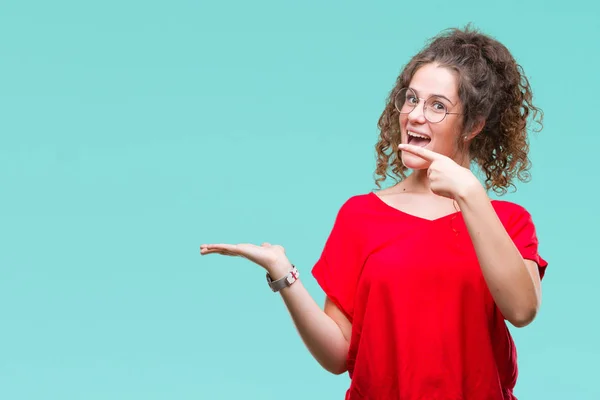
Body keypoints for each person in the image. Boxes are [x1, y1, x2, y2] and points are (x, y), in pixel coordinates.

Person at [200, 25, 548, 400]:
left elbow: (522, 309)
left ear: (473, 125)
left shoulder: (508, 220)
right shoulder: (360, 215)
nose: (415, 115)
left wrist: (470, 194)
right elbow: (339, 356)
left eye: (437, 106)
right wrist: (282, 273)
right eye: (411, 99)